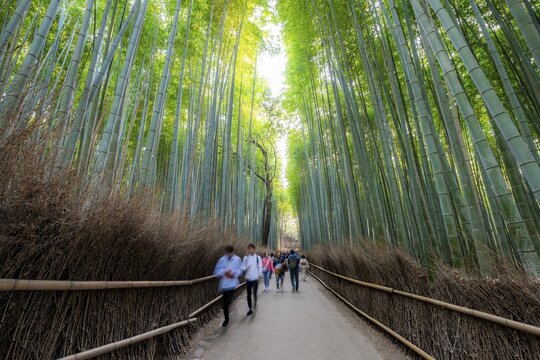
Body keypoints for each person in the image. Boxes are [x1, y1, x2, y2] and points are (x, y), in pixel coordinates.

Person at [213, 245, 242, 327]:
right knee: (225, 303)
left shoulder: (237, 259)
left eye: (231, 252)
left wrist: (234, 274)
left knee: (229, 300)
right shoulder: (222, 260)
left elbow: (240, 270)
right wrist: (224, 272)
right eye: (228, 252)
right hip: (224, 285)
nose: (229, 254)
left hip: (232, 284)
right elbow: (216, 271)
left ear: (233, 252)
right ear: (225, 252)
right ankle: (226, 318)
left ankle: (228, 312)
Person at [242, 243, 262, 315]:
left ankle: (255, 302)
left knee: (254, 293)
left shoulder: (258, 258)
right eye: (249, 249)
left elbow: (260, 267)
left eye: (252, 249)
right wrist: (245, 268)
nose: (250, 250)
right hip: (248, 278)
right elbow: (242, 267)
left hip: (255, 278)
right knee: (248, 294)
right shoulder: (245, 258)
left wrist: (259, 275)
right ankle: (250, 308)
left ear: (254, 249)